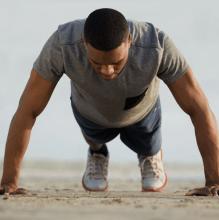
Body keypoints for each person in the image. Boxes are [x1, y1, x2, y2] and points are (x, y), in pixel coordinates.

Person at [1, 8, 219, 196]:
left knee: (146, 142)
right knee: (95, 135)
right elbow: (28, 109)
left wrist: (215, 180)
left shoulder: (157, 45)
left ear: (130, 41)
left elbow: (198, 108)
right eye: (97, 63)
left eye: (116, 62)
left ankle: (150, 155)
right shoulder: (62, 45)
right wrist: (9, 181)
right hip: (90, 111)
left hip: (141, 112)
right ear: (84, 43)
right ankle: (97, 152)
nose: (107, 70)